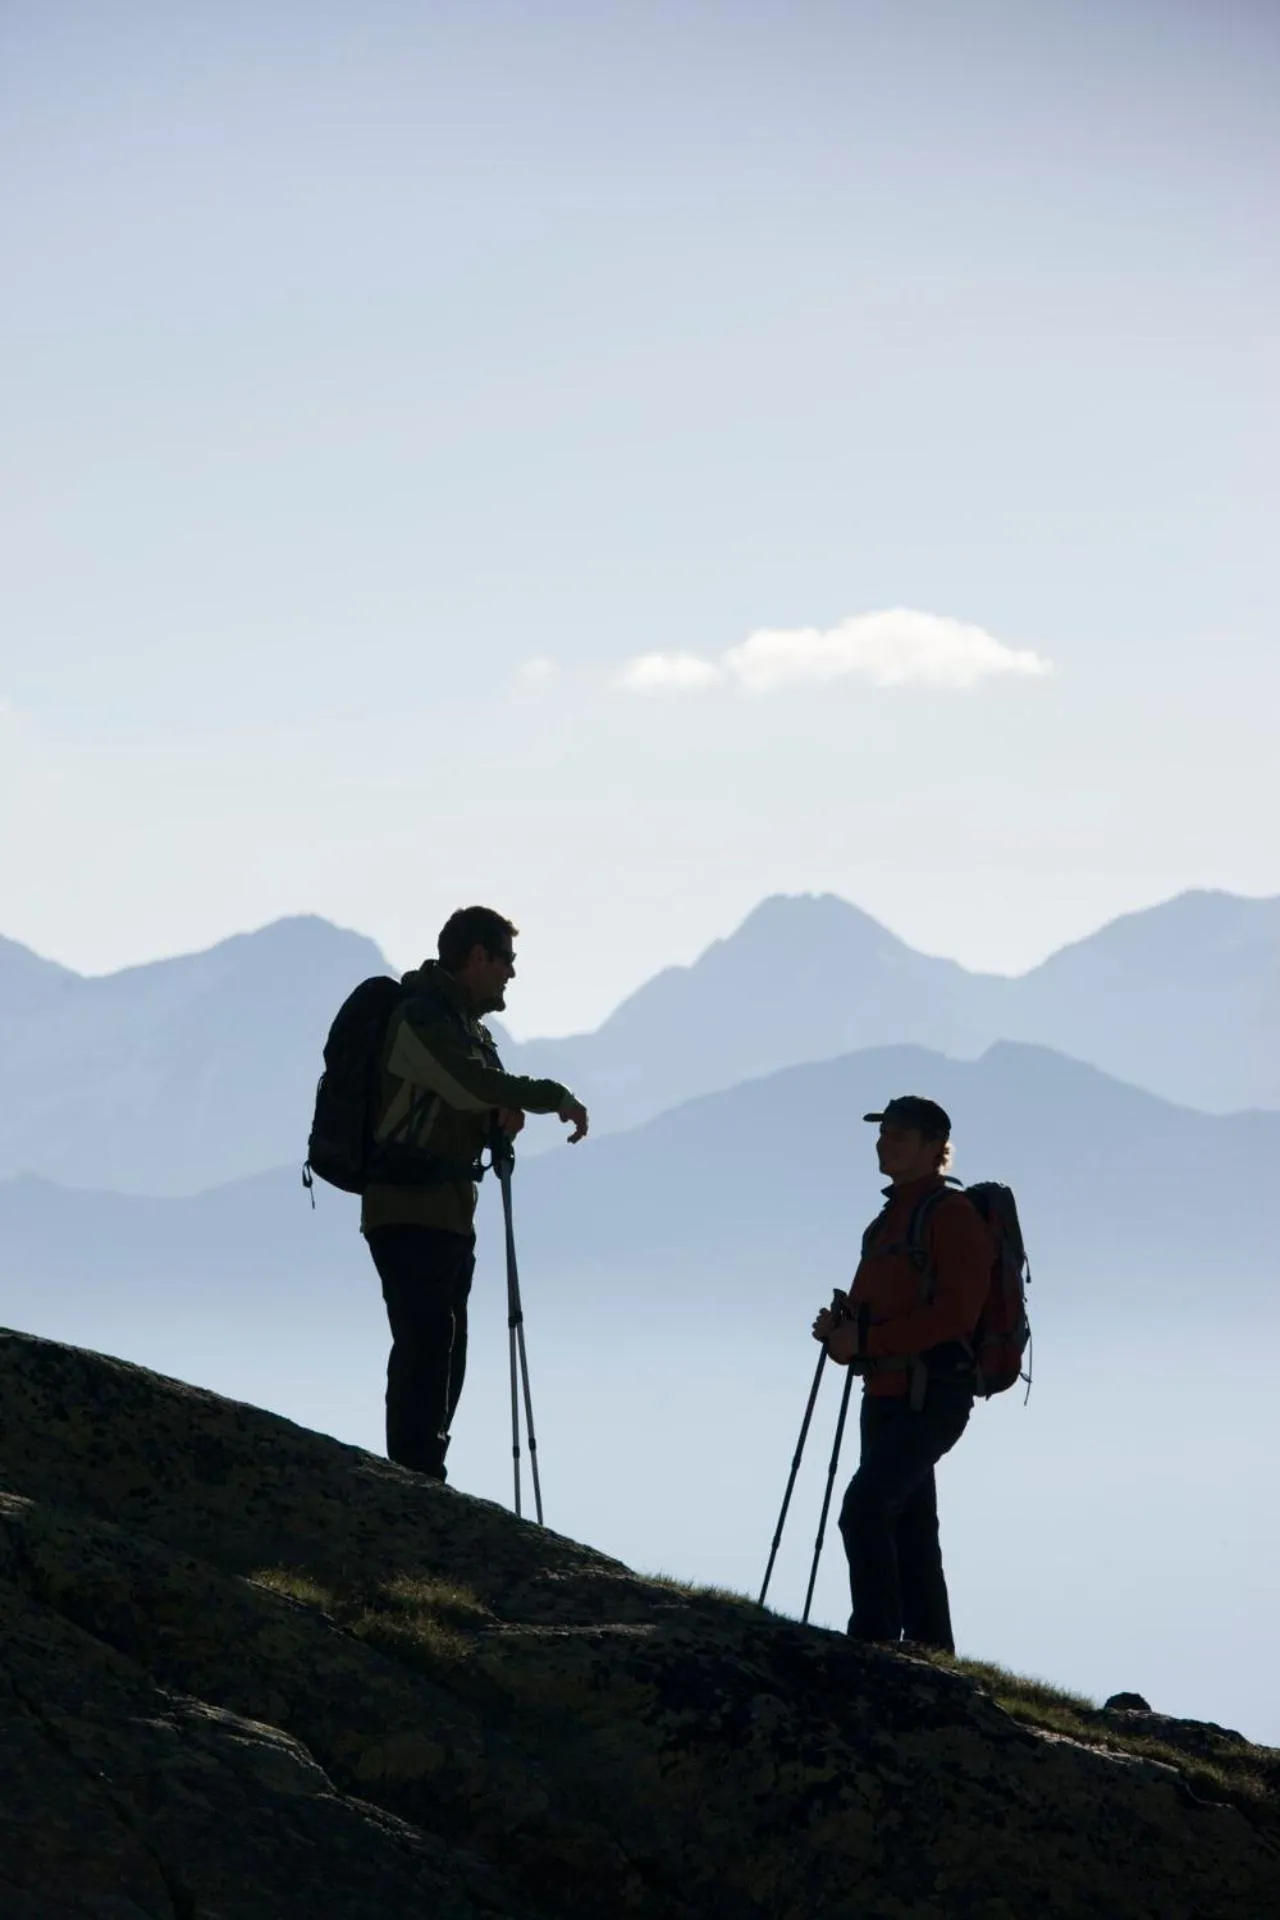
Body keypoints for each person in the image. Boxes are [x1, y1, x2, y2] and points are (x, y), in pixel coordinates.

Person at [362, 905, 588, 1482]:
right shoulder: (422, 1020)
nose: (511, 973)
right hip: (407, 1206)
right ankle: (413, 1472)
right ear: (477, 957)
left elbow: (475, 1100)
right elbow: (473, 1085)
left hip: (449, 1213)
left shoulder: (467, 1030)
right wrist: (552, 1095)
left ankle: (422, 1465)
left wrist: (499, 1118)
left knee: (446, 1344)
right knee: (427, 1339)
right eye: (506, 960)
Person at [811, 1096, 991, 1652]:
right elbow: (883, 1308)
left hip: (931, 1392)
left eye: (900, 1136)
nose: (884, 1144)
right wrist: (844, 1330)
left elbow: (956, 1314)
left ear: (937, 1147)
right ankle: (933, 1649)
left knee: (864, 1512)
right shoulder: (891, 1218)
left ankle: (874, 1642)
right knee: (911, 1527)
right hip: (886, 1391)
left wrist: (862, 1340)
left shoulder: (949, 1215)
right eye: (883, 1133)